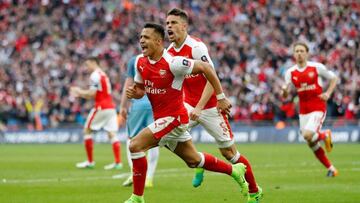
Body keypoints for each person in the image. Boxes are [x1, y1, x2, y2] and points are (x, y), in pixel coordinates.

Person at [124, 22, 248, 203]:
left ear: (159, 41)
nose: (141, 40)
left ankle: (137, 197)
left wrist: (220, 96)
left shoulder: (173, 63)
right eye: (141, 37)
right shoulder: (140, 62)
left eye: (146, 37)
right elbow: (141, 89)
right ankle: (234, 170)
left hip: (174, 118)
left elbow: (206, 68)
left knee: (135, 145)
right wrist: (135, 93)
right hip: (164, 119)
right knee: (194, 160)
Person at [165, 8, 262, 203]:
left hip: (209, 107)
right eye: (167, 24)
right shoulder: (168, 53)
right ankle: (199, 160)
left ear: (184, 26)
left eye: (173, 23)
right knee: (168, 136)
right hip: (187, 104)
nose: (169, 27)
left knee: (230, 153)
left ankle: (254, 190)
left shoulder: (196, 48)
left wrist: (203, 105)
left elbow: (211, 76)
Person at [281, 42, 338, 177]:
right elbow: (285, 94)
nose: (299, 53)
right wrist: (284, 91)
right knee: (310, 142)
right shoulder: (290, 72)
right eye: (297, 51)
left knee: (307, 135)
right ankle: (331, 169)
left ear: (307, 53)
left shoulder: (316, 67)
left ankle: (325, 135)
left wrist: (328, 93)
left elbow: (334, 78)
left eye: (302, 51)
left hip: (318, 107)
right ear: (294, 54)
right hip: (303, 111)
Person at [70, 57, 122, 170]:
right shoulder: (103, 74)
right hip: (111, 107)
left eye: (87, 65)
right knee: (112, 133)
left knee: (87, 130)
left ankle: (90, 162)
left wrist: (79, 92)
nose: (86, 68)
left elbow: (91, 94)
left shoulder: (94, 75)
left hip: (101, 107)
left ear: (94, 63)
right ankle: (118, 163)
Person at [119, 56, 159, 188]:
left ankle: (134, 173)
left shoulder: (135, 60)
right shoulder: (163, 57)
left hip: (138, 105)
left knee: (131, 139)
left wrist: (123, 106)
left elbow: (129, 84)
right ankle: (149, 178)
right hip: (156, 105)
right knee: (154, 140)